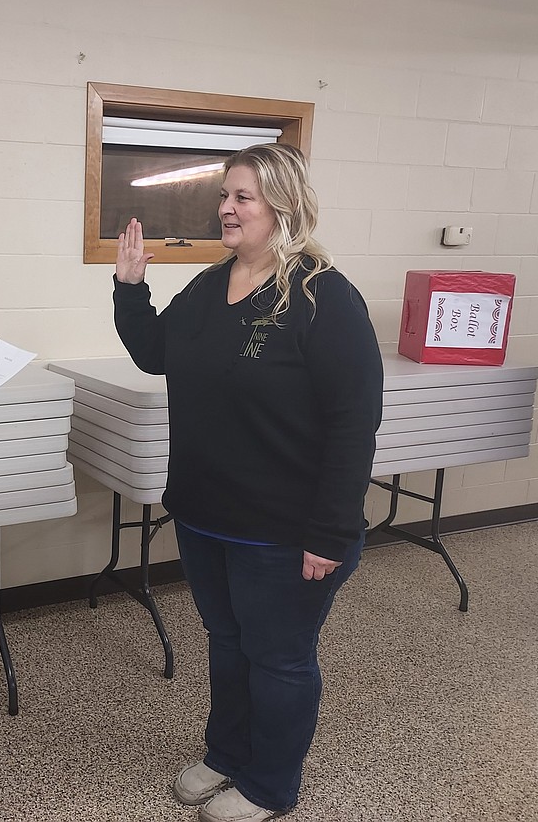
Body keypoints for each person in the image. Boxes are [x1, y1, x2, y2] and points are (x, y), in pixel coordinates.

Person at [113, 142, 383, 822]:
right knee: (229, 643)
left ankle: (270, 784)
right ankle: (228, 752)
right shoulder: (212, 284)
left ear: (282, 206)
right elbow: (155, 353)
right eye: (224, 195)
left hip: (285, 528)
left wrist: (331, 530)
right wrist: (129, 286)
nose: (225, 208)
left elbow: (355, 424)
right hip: (208, 515)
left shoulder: (325, 296)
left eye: (242, 197)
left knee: (280, 657)